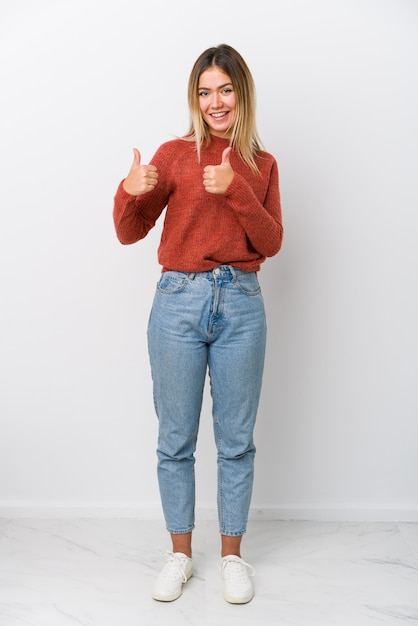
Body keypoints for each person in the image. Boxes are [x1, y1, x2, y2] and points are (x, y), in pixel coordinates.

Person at [113, 43, 283, 604]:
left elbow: (271, 241)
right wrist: (127, 192)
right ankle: (180, 553)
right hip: (178, 303)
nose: (215, 101)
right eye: (205, 91)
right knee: (175, 439)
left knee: (236, 442)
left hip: (241, 303)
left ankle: (232, 558)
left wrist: (233, 188)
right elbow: (130, 231)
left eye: (226, 90)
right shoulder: (175, 154)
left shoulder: (261, 163)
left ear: (242, 95)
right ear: (195, 97)